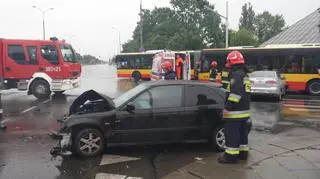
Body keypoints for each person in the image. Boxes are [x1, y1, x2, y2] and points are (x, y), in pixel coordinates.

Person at [218, 51, 251, 164]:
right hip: (244, 112)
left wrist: (227, 108)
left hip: (235, 112)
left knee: (232, 134)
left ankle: (230, 157)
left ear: (232, 62)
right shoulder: (244, 74)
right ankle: (243, 153)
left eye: (229, 63)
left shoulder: (236, 75)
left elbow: (235, 95)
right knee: (243, 134)